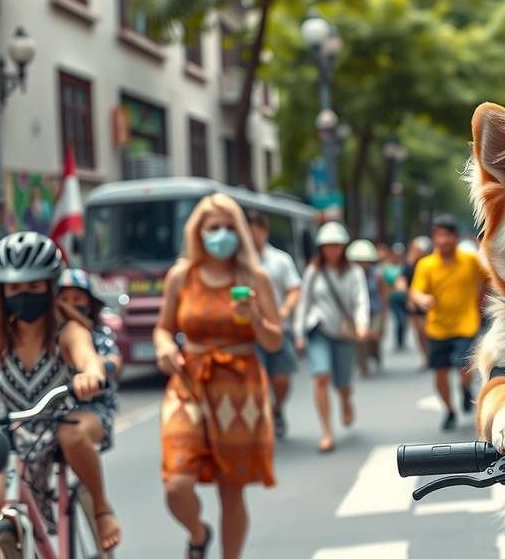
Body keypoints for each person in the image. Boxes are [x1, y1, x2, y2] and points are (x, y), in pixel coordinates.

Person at [154, 194, 282, 559]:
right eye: (213, 228)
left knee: (232, 490)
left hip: (239, 388)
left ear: (240, 232)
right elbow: (163, 329)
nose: (221, 235)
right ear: (198, 232)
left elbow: (274, 342)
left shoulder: (254, 277)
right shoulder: (181, 276)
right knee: (176, 484)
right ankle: (198, 533)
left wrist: (255, 317)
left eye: (229, 228)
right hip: (189, 382)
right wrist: (165, 348)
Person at [0, 233, 120, 551]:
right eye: (15, 288)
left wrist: (90, 375)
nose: (24, 295)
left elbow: (89, 359)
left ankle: (102, 509)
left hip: (72, 413)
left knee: (71, 435)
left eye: (33, 287)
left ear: (49, 287)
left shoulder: (68, 328)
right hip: (14, 426)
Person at [293, 222, 369, 453]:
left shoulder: (354, 272)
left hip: (343, 332)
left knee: (343, 383)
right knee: (321, 376)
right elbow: (304, 303)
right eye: (327, 246)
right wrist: (299, 333)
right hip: (318, 328)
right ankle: (327, 431)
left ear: (343, 247)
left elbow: (360, 300)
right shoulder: (313, 271)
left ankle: (346, 399)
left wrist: (362, 324)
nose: (332, 250)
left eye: (336, 245)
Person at [408, 215, 488, 431]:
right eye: (438, 235)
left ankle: (465, 388)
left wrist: (480, 300)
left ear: (454, 237)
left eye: (446, 235)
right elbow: (415, 290)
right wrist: (421, 299)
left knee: (463, 367)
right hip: (437, 328)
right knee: (440, 374)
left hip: (466, 324)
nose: (442, 240)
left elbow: (489, 277)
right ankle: (450, 410)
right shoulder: (426, 265)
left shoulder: (470, 260)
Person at [246, 209, 302, 439]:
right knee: (256, 381)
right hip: (250, 333)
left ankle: (277, 407)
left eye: (255, 232)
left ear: (264, 232)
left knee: (281, 377)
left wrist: (286, 309)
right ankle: (262, 418)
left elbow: (294, 288)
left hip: (277, 329)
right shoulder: (238, 265)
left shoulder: (280, 260)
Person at [57, 268, 122, 454]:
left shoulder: (99, 335)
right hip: (54, 412)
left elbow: (115, 360)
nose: (70, 305)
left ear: (90, 303)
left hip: (93, 409)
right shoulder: (50, 337)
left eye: (78, 298)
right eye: (64, 299)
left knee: (74, 435)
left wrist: (95, 369)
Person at [346, 239, 389, 377]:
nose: (361, 264)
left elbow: (383, 295)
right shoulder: (349, 275)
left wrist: (384, 314)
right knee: (361, 339)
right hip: (357, 312)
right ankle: (363, 367)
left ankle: (375, 355)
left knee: (374, 336)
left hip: (375, 310)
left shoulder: (377, 275)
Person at [400, 235, 432, 367]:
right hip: (414, 301)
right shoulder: (409, 264)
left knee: (428, 330)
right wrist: (408, 297)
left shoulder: (430, 263)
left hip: (430, 301)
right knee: (419, 331)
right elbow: (403, 280)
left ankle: (432, 354)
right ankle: (425, 355)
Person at [382, 242, 408, 352]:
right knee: (399, 320)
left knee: (404, 321)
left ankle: (402, 341)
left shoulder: (404, 266)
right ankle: (398, 342)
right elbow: (384, 285)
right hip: (393, 299)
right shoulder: (387, 268)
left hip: (403, 299)